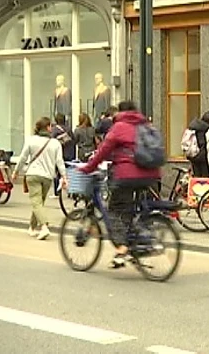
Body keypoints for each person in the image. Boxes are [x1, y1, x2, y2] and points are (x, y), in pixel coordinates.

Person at [78, 101, 161, 267]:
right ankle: (134, 245)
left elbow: (103, 151)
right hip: (151, 174)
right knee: (129, 210)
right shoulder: (145, 125)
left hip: (127, 176)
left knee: (114, 210)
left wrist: (88, 168)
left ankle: (122, 249)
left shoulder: (119, 127)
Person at [12, 117, 68, 240]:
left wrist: (16, 171)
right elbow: (59, 161)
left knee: (37, 203)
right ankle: (32, 228)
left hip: (33, 174)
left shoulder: (31, 140)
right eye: (50, 126)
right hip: (48, 177)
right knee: (39, 202)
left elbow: (23, 158)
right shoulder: (55, 143)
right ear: (48, 128)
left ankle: (43, 227)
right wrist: (64, 176)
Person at [187, 111, 209, 178]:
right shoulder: (204, 129)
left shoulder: (194, 126)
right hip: (202, 158)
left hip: (193, 155)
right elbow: (203, 144)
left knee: (196, 179)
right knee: (205, 181)